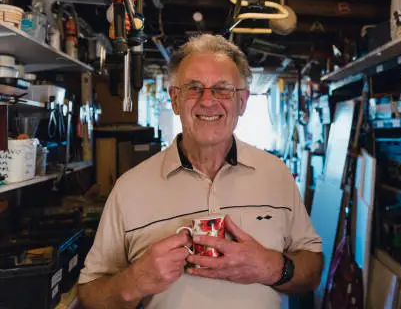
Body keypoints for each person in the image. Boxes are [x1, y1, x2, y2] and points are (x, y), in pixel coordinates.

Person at [77, 34, 323, 309]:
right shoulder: (129, 188)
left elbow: (312, 271)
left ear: (241, 101)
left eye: (222, 89)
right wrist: (135, 280)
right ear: (175, 99)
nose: (208, 101)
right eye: (194, 88)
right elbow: (89, 296)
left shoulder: (276, 174)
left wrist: (271, 267)